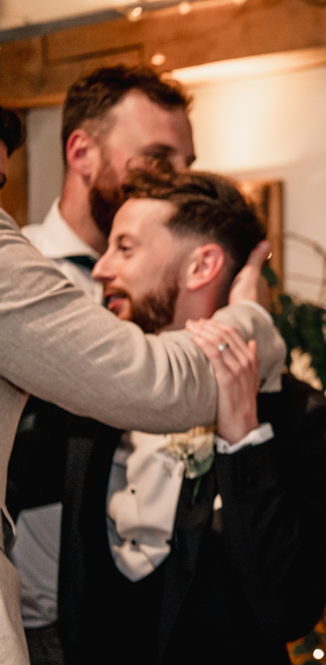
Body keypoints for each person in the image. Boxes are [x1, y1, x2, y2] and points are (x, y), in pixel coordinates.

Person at [10, 167, 326, 665]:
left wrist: (243, 440)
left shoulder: (301, 417)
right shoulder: (94, 399)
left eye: (125, 248)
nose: (100, 269)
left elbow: (287, 611)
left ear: (201, 266)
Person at [9, 66, 196, 663]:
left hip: (140, 622)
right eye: (157, 157)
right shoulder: (18, 272)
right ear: (81, 153)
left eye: (187, 162)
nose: (178, 179)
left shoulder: (182, 298)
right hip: (33, 619)